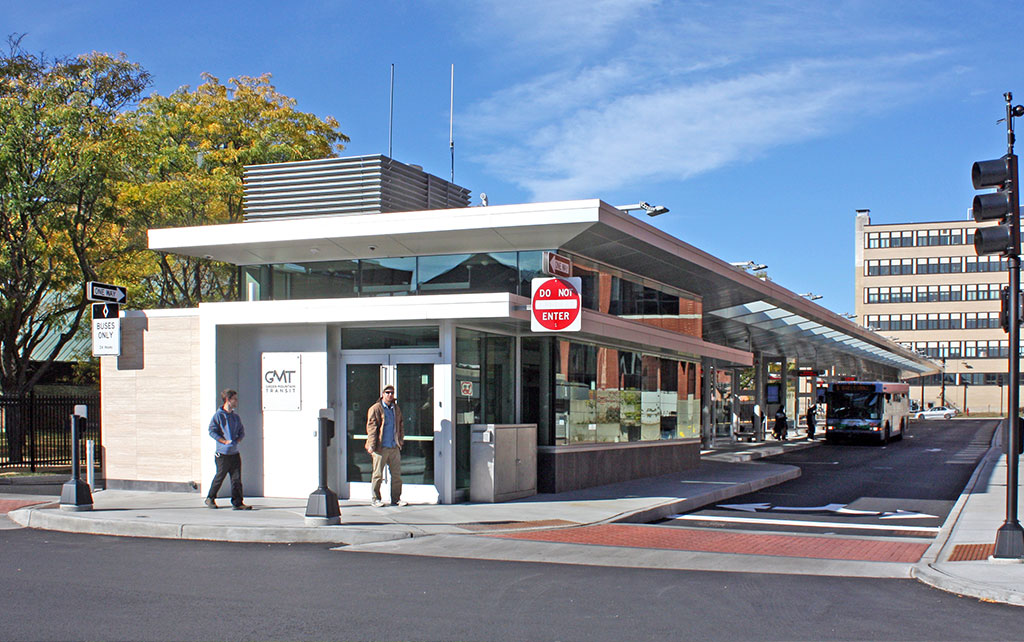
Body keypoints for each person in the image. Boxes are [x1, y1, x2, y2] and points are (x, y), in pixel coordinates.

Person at [205, 389, 252, 510]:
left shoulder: (235, 417)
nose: (236, 401)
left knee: (236, 479)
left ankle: (237, 502)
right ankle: (210, 498)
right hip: (223, 454)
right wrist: (223, 441)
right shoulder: (218, 416)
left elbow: (241, 431)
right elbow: (212, 431)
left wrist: (238, 440)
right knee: (220, 476)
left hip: (234, 453)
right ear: (227, 400)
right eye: (234, 399)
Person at [366, 384, 407, 507]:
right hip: (380, 447)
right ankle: (375, 498)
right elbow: (372, 428)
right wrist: (372, 445)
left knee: (396, 475)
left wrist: (400, 440)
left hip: (393, 446)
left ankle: (396, 498)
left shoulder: (396, 408)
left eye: (392, 393)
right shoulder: (376, 408)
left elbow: (400, 425)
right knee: (378, 474)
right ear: (382, 394)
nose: (390, 395)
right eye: (387, 392)